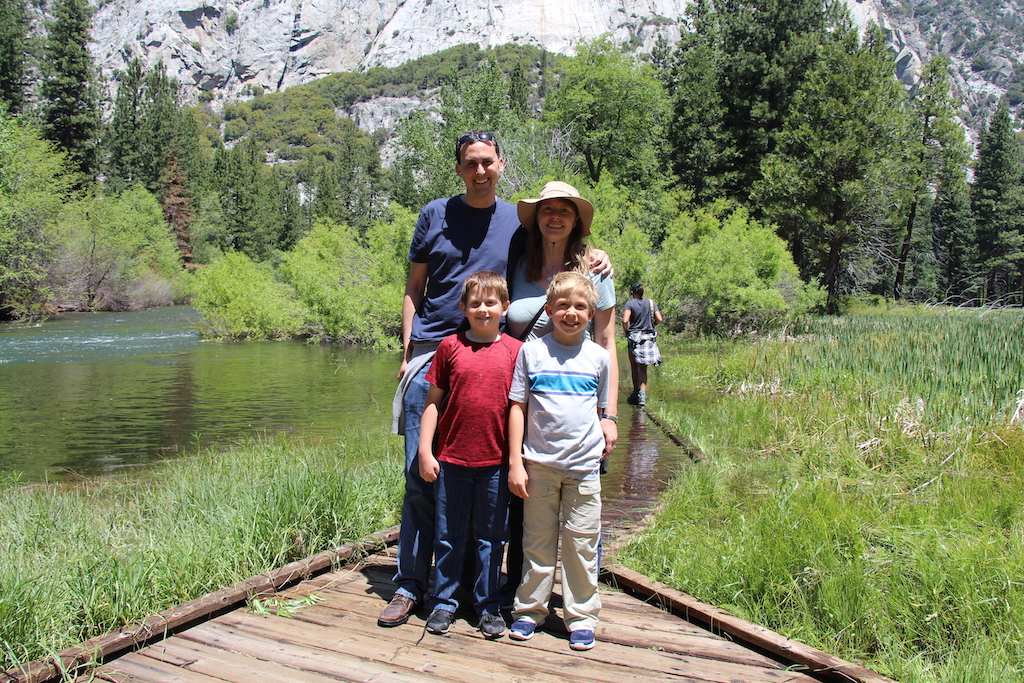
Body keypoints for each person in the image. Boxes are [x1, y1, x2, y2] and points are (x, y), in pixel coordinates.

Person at [381, 131, 611, 628]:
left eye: (488, 161)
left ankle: (488, 590)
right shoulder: (433, 215)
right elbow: (413, 287)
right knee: (422, 478)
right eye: (471, 162)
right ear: (459, 167)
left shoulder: (513, 224)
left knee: (499, 483)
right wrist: (407, 350)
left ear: (501, 165)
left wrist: (597, 258)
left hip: (494, 362)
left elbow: (565, 254)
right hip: (431, 356)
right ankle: (411, 586)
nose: (480, 170)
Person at [503, 180, 618, 599]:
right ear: (537, 217)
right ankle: (523, 596)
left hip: (576, 402)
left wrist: (609, 416)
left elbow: (607, 344)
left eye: (564, 211)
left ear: (576, 222)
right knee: (527, 505)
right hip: (521, 396)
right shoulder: (517, 260)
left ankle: (582, 603)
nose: (554, 217)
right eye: (547, 209)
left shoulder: (594, 269)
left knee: (581, 515)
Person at [506, 271, 615, 652]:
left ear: (591, 313)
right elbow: (517, 407)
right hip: (538, 465)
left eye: (581, 307)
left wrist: (611, 422)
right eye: (563, 306)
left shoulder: (598, 357)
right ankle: (529, 610)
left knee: (582, 545)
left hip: (584, 467)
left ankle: (581, 616)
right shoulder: (531, 352)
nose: (571, 313)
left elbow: (602, 407)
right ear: (549, 310)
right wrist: (515, 463)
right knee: (536, 542)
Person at [417, 271, 522, 639]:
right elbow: (432, 404)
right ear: (463, 308)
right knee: (448, 535)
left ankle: (488, 605)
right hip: (452, 461)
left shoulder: (515, 351)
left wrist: (515, 461)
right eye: (475, 303)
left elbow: (520, 409)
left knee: (491, 539)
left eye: (491, 303)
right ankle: (443, 602)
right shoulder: (449, 347)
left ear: (505, 308)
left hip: (495, 464)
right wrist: (425, 451)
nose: (483, 309)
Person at [621, 282, 662, 407]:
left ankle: (636, 393)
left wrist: (626, 331)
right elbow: (659, 318)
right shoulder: (651, 303)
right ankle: (642, 396)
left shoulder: (630, 304)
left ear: (633, 293)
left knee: (634, 366)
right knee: (643, 368)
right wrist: (651, 325)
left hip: (634, 337)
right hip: (648, 337)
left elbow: (625, 320)